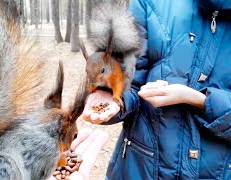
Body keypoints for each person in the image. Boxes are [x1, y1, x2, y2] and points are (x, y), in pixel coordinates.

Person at [75, 0, 231, 179]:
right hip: (141, 167)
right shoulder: (151, 4)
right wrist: (115, 97)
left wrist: (201, 100)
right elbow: (131, 78)